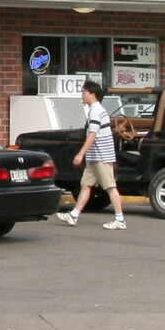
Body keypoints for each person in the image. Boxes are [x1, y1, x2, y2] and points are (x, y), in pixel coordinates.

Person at [56, 81, 127, 230]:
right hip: (94, 157)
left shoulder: (96, 111)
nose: (82, 95)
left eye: (84, 93)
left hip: (101, 156)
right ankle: (74, 215)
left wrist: (80, 154)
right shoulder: (95, 110)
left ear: (92, 95)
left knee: (110, 187)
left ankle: (120, 219)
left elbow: (92, 136)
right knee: (85, 185)